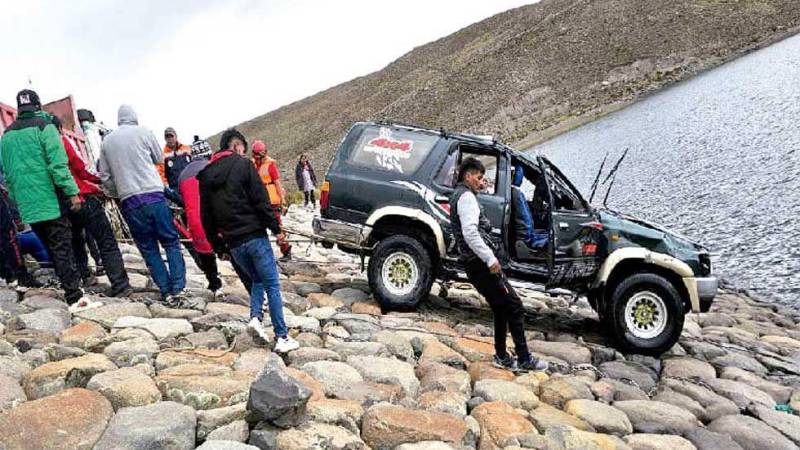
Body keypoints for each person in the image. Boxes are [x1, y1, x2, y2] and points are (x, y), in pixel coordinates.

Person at [198, 128, 299, 353]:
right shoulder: (244, 166)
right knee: (272, 284)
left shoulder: (205, 176)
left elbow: (206, 217)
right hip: (254, 236)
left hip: (234, 244)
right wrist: (277, 229)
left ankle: (255, 318)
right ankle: (281, 337)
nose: (245, 154)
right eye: (243, 149)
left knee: (256, 280)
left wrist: (218, 247)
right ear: (235, 146)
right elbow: (260, 200)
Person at [449, 157, 548, 372]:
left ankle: (502, 355)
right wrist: (490, 259)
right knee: (514, 305)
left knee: (500, 307)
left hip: (473, 264)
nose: (480, 181)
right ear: (468, 175)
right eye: (479, 177)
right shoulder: (466, 198)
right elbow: (470, 233)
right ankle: (524, 358)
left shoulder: (461, 194)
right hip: (481, 265)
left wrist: (482, 190)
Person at [0, 89, 95, 310]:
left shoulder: (7, 136)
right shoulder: (45, 127)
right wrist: (72, 192)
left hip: (28, 205)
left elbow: (8, 176)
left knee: (52, 248)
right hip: (51, 201)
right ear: (38, 105)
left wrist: (18, 201)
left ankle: (69, 287)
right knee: (63, 247)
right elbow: (58, 165)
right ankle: (75, 297)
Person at [97, 105, 187, 304]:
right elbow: (159, 158)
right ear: (134, 117)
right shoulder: (144, 132)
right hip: (154, 195)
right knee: (171, 242)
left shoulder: (107, 142)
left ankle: (166, 291)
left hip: (130, 201)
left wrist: (116, 191)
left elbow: (104, 175)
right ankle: (178, 286)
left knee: (149, 249)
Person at [52, 115, 131, 297]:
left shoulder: (39, 151)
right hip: (83, 197)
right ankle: (120, 284)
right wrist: (100, 180)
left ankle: (85, 277)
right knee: (106, 241)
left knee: (76, 242)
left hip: (61, 203)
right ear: (59, 129)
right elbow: (81, 169)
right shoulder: (62, 142)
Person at [176, 141, 222, 294]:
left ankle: (215, 285)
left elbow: (183, 199)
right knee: (233, 253)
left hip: (195, 222)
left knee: (205, 255)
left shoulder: (183, 175)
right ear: (208, 154)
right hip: (217, 219)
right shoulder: (213, 168)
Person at [252, 140, 291, 259]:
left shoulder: (270, 165)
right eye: (257, 156)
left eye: (260, 156)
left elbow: (277, 183)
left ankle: (286, 249)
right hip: (258, 201)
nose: (259, 159)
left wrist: (282, 200)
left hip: (272, 201)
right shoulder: (252, 164)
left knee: (277, 226)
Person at [157, 127, 193, 191]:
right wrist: (167, 188)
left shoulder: (187, 148)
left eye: (171, 136)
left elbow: (194, 163)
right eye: (167, 137)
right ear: (165, 139)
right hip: (175, 189)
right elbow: (161, 173)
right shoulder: (162, 155)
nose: (170, 139)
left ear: (176, 136)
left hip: (190, 184)